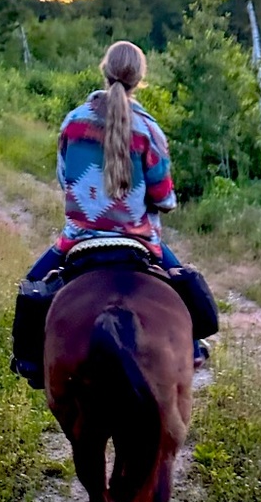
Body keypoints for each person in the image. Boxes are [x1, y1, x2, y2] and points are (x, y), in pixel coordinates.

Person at [17, 40, 208, 380]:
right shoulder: (148, 130)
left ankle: (29, 362)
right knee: (186, 288)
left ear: (104, 72)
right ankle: (193, 348)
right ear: (139, 78)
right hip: (139, 242)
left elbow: (65, 180)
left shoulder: (73, 122)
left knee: (31, 286)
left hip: (78, 240)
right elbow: (164, 199)